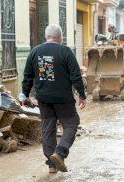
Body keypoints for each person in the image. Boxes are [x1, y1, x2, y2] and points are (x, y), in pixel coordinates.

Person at [21, 24, 86, 173]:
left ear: (46, 36)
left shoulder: (35, 51)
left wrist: (24, 94)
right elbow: (76, 76)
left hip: (43, 98)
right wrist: (82, 95)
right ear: (60, 37)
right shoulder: (65, 51)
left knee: (48, 129)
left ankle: (52, 164)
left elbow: (28, 77)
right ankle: (60, 152)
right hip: (63, 99)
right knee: (71, 124)